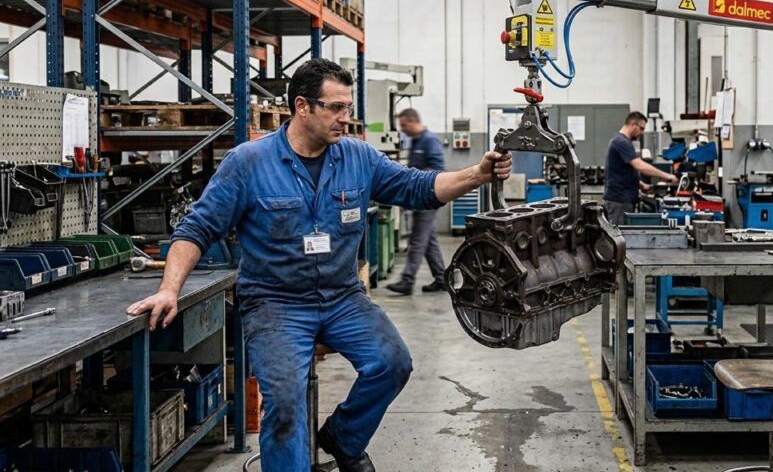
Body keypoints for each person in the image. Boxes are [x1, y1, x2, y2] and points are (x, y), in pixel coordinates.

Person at [125, 59, 511, 472]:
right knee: (286, 401)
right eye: (336, 108)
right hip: (275, 303)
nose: (346, 118)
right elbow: (196, 229)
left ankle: (343, 438)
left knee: (392, 362)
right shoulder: (248, 162)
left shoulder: (357, 157)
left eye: (348, 107)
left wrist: (478, 174)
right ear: (302, 106)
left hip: (342, 297)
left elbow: (418, 187)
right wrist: (169, 289)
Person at [386, 108, 446, 295]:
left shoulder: (429, 140)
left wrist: (416, 178)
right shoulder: (416, 141)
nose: (403, 129)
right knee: (429, 240)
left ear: (413, 121)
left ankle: (407, 280)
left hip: (428, 196)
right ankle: (442, 278)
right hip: (418, 198)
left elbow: (438, 168)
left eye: (404, 125)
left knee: (418, 239)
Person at [603, 111, 678, 226]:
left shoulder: (623, 141)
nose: (642, 132)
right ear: (633, 124)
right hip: (619, 201)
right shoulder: (621, 142)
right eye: (641, 128)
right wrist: (666, 175)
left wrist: (640, 184)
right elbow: (639, 165)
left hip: (623, 199)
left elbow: (623, 171)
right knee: (619, 237)